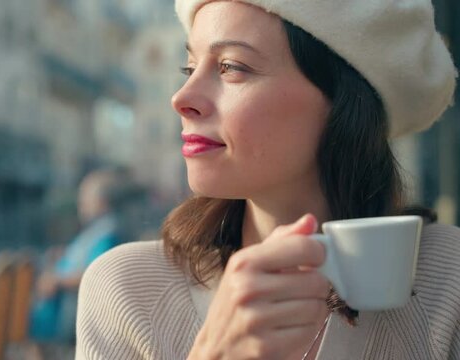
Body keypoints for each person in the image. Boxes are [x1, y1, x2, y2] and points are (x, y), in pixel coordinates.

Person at [76, 1, 460, 359]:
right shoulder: (127, 292)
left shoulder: (447, 282)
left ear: (345, 102)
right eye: (189, 69)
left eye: (231, 67)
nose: (182, 97)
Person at [30, 168, 134, 342]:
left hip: (67, 316)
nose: (81, 203)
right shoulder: (99, 229)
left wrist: (57, 280)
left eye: (85, 196)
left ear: (102, 201)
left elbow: (94, 275)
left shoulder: (108, 233)